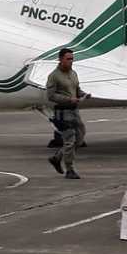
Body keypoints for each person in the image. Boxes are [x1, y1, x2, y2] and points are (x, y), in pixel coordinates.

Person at [46, 48, 90, 179]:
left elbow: (77, 89)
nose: (71, 62)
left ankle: (57, 157)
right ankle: (69, 169)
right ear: (60, 59)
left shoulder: (73, 73)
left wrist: (83, 95)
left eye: (72, 59)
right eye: (68, 59)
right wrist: (68, 99)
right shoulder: (54, 76)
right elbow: (51, 95)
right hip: (62, 112)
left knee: (80, 137)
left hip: (74, 110)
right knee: (69, 140)